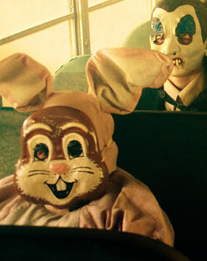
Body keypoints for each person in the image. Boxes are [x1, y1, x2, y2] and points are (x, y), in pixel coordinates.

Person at [0, 50, 175, 245]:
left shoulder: (123, 209)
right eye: (42, 152)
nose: (56, 166)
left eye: (74, 150)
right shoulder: (9, 197)